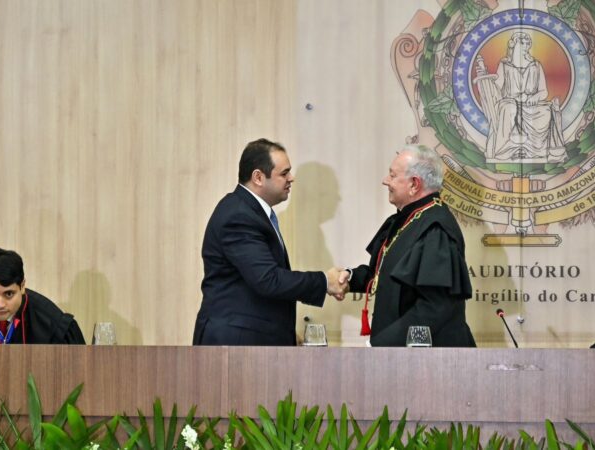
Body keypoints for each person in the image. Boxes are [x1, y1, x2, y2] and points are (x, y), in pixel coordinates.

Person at [193, 138, 346, 346]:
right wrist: (325, 281)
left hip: (249, 343)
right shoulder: (238, 215)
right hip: (235, 346)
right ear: (258, 177)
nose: (291, 178)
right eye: (284, 173)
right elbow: (267, 279)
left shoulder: (251, 212)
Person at [340, 145, 476, 347]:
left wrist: (380, 344)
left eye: (392, 175)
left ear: (414, 184)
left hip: (433, 362)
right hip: (406, 356)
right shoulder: (409, 219)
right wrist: (349, 277)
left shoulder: (435, 229)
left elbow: (434, 307)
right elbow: (384, 276)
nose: (385, 181)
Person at [475, 31, 566, 163]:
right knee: (509, 108)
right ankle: (506, 151)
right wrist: (485, 82)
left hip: (530, 104)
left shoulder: (535, 65)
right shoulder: (504, 64)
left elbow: (543, 92)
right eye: (522, 43)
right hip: (510, 101)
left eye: (528, 43)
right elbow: (497, 88)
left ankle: (536, 152)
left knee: (545, 111)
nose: (525, 46)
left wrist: (535, 97)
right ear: (513, 44)